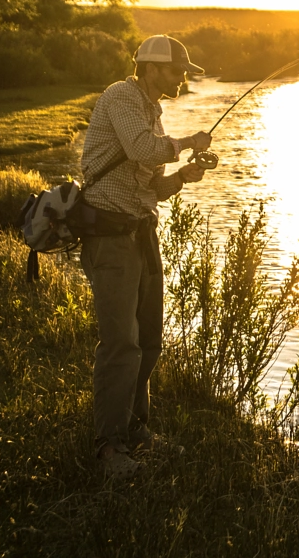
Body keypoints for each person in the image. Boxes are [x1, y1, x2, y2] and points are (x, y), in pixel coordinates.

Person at [80, 34, 212, 477]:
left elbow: (150, 184)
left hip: (141, 233)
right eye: (177, 71)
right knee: (121, 343)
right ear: (152, 68)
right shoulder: (121, 96)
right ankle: (108, 447)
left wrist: (181, 178)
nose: (181, 79)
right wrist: (188, 141)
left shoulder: (152, 111)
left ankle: (136, 430)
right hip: (110, 237)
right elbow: (141, 150)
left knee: (149, 338)